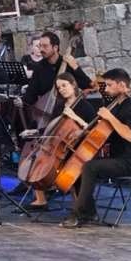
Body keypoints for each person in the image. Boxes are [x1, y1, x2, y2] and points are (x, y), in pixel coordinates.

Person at [62, 69, 131, 228]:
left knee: (90, 167)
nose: (105, 89)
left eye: (109, 85)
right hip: (114, 157)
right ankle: (89, 212)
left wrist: (110, 117)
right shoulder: (115, 106)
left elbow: (130, 136)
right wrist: (83, 132)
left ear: (122, 85)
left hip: (129, 162)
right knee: (78, 165)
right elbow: (103, 130)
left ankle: (78, 213)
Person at [25, 73, 95, 210]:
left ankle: (79, 206)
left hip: (78, 148)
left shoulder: (85, 106)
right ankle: (40, 199)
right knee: (35, 159)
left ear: (73, 85)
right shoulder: (60, 106)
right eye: (59, 87)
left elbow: (92, 129)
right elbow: (52, 127)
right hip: (61, 146)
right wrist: (36, 132)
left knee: (72, 168)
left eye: (64, 85)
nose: (62, 89)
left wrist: (74, 117)